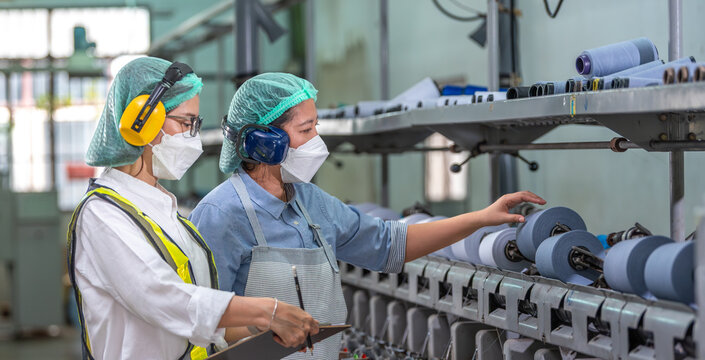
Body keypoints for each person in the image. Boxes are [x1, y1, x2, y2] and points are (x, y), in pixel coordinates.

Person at [189, 73, 545, 359]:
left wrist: (481, 219)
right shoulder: (221, 214)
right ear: (265, 142)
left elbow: (390, 243)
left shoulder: (311, 203)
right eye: (306, 130)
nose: (317, 141)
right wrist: (264, 328)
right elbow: (201, 317)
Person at [67, 59, 318, 360]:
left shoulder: (167, 213)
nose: (192, 138)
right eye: (186, 123)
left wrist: (262, 329)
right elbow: (166, 299)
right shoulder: (102, 216)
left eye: (195, 125)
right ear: (142, 122)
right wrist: (267, 311)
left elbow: (201, 321)